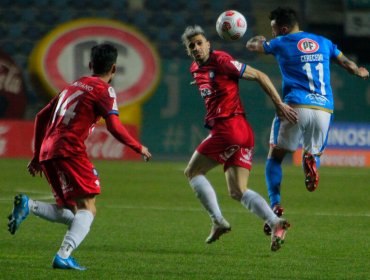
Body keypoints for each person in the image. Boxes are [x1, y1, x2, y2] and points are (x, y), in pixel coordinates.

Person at [7, 43, 152, 270]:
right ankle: (63, 255)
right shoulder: (105, 91)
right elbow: (114, 126)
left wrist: (37, 155)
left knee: (71, 211)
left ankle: (30, 206)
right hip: (69, 150)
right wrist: (137, 146)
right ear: (114, 68)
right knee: (88, 207)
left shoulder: (73, 86)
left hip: (48, 151)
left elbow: (41, 116)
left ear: (90, 65)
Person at [246, 7, 369, 235]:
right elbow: (348, 64)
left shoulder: (280, 42)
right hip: (323, 108)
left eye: (273, 29)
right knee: (314, 153)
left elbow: (252, 45)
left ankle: (275, 205)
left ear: (282, 28)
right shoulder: (324, 42)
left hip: (294, 106)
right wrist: (360, 72)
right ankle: (311, 160)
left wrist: (260, 39)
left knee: (275, 157)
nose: (273, 34)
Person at [181, 25, 298, 251]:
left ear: (208, 44)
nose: (196, 48)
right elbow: (211, 80)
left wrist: (279, 103)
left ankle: (217, 220)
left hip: (229, 129)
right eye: (191, 45)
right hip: (242, 133)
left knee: (192, 172)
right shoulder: (195, 69)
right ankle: (275, 223)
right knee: (238, 190)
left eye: (199, 43)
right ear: (189, 50)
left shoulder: (222, 61)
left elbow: (260, 75)